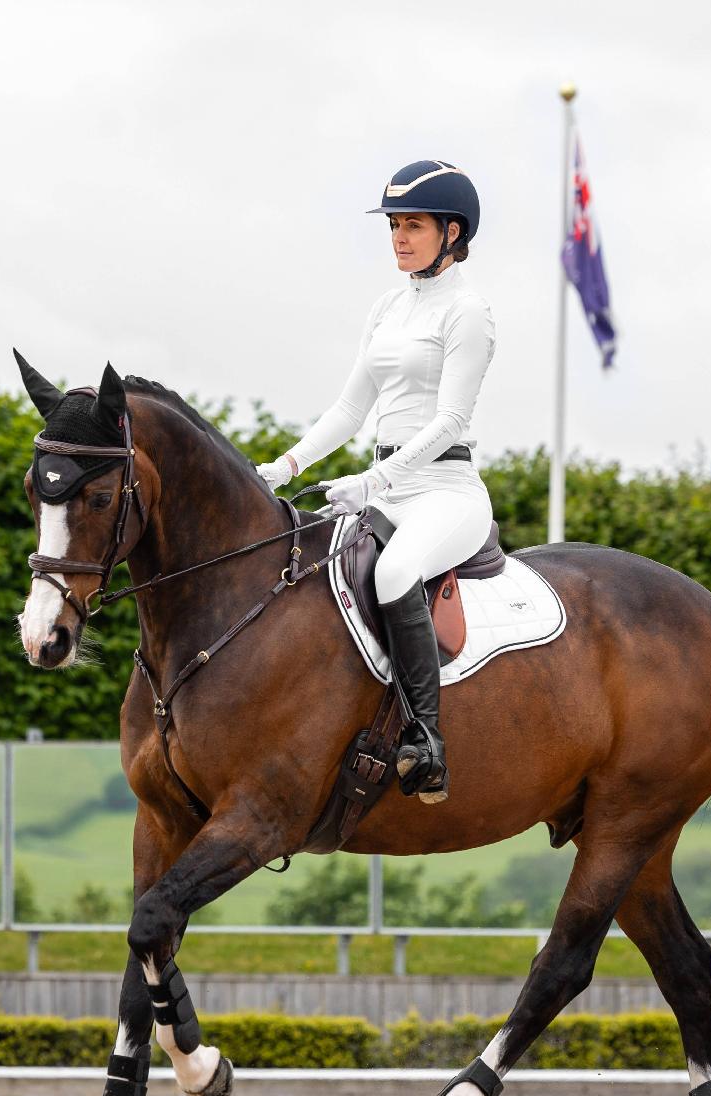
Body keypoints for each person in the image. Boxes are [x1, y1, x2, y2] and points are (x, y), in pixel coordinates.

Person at [256, 159, 496, 804]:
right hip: (388, 488)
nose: (398, 237)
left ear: (452, 232)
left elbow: (451, 419)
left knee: (393, 575)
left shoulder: (468, 312)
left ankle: (427, 742)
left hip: (446, 491)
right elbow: (350, 410)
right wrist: (283, 467)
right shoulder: (388, 307)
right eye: (393, 225)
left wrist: (376, 477)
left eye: (412, 225)